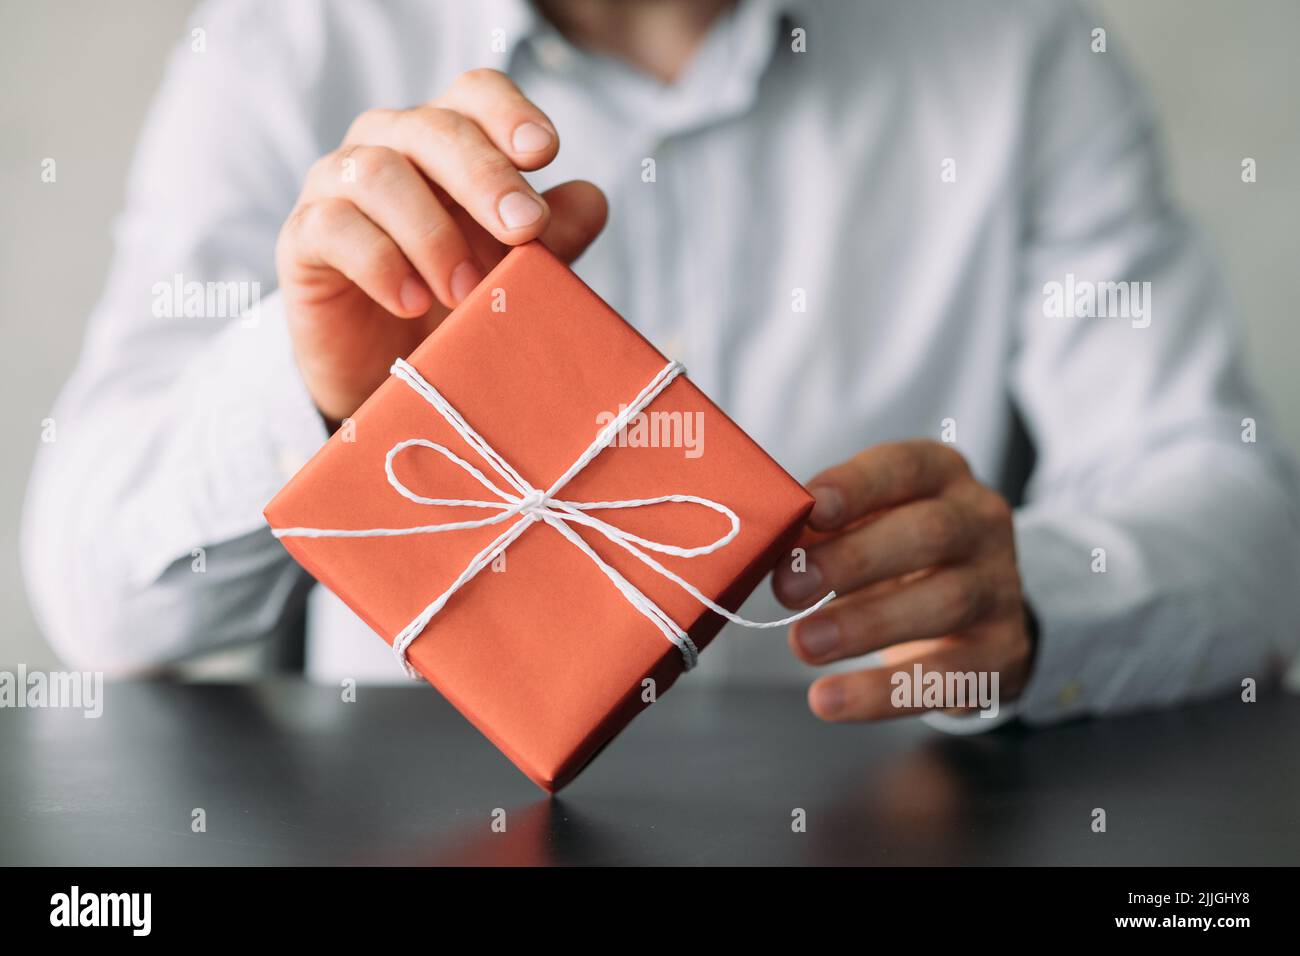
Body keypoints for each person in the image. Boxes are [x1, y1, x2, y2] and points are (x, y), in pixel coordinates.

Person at [22, 0, 1300, 730]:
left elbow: (1245, 527)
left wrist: (1034, 599)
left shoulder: (1018, 48)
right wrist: (309, 402)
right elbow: (96, 597)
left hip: (882, 826)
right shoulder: (285, 45)